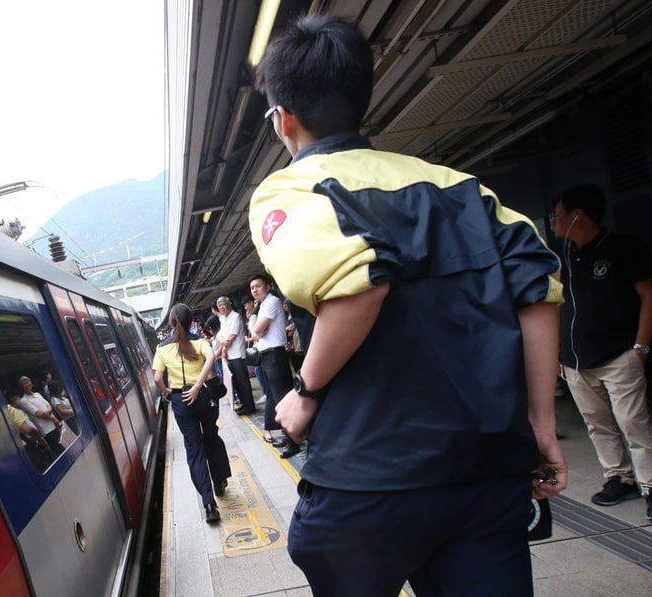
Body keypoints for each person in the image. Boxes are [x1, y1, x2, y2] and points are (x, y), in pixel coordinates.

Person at [250, 15, 567, 595]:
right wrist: (541, 426)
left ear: (283, 119)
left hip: (369, 478)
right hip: (485, 472)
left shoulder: (290, 191)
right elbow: (539, 289)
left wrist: (306, 394)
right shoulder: (461, 186)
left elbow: (359, 283)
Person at [553, 184, 652, 517]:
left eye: (559, 214)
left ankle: (650, 483)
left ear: (576, 216)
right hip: (576, 360)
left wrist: (640, 347)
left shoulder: (623, 248)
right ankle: (618, 477)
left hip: (619, 355)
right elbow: (555, 305)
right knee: (597, 424)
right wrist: (556, 353)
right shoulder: (564, 256)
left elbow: (649, 296)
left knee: (633, 423)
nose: (555, 220)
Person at [153, 303, 231, 523]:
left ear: (171, 322)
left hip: (180, 401)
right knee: (211, 438)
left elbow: (158, 378)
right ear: (190, 321)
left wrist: (168, 393)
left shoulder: (162, 348)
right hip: (203, 397)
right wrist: (197, 386)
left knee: (194, 449)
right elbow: (211, 358)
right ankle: (220, 480)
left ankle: (209, 505)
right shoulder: (199, 341)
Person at [248, 273, 301, 458]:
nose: (255, 290)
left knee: (283, 398)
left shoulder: (271, 302)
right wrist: (259, 331)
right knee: (277, 399)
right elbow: (258, 331)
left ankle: (294, 442)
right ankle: (288, 436)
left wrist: (259, 331)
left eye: (258, 286)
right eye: (252, 287)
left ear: (268, 286)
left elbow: (257, 330)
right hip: (268, 355)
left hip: (275, 355)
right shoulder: (263, 304)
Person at [216, 296, 256, 415]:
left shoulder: (236, 316)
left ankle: (250, 405)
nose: (222, 307)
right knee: (236, 382)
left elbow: (231, 338)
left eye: (223, 304)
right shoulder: (222, 319)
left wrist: (223, 347)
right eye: (219, 306)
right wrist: (223, 344)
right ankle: (244, 404)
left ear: (229, 304)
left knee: (243, 381)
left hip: (238, 354)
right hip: (229, 355)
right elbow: (221, 335)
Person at [5, 391, 57, 471]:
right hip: (30, 440)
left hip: (33, 439)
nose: (17, 397)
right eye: (15, 396)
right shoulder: (9, 409)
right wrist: (39, 439)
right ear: (11, 398)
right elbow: (28, 429)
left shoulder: (19, 409)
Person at [17, 376, 64, 453]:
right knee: (59, 451)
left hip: (55, 425)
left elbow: (49, 405)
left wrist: (49, 414)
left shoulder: (37, 394)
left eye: (28, 382)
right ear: (22, 387)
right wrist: (52, 417)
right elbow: (39, 414)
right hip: (47, 431)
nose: (27, 384)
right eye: (24, 383)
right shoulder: (23, 401)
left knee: (66, 446)